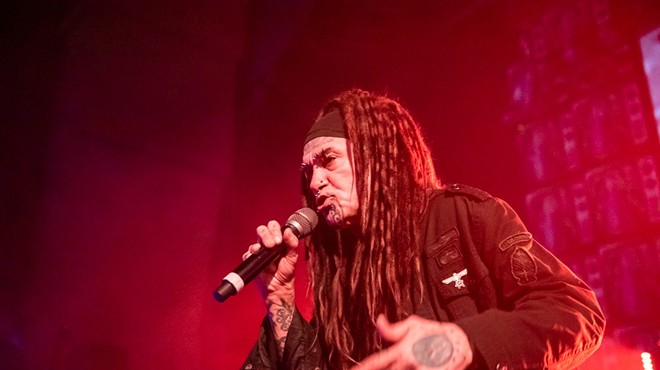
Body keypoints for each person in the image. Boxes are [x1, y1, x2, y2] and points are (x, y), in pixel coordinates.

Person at [240, 89, 605, 369]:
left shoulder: (462, 218)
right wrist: (279, 297)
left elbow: (576, 313)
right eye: (307, 173)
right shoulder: (342, 273)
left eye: (328, 161)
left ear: (377, 154)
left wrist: (461, 343)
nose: (315, 182)